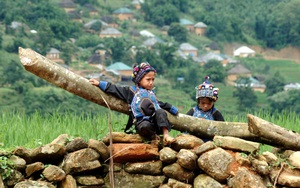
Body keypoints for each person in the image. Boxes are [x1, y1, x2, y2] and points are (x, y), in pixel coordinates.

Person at [89, 62, 178, 145]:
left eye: (153, 79)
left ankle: (166, 135)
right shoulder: (131, 92)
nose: (151, 82)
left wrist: (171, 108)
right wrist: (99, 83)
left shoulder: (151, 93)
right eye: (148, 79)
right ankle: (153, 137)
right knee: (145, 126)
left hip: (155, 123)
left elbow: (159, 104)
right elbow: (115, 89)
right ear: (139, 80)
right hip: (142, 123)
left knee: (161, 112)